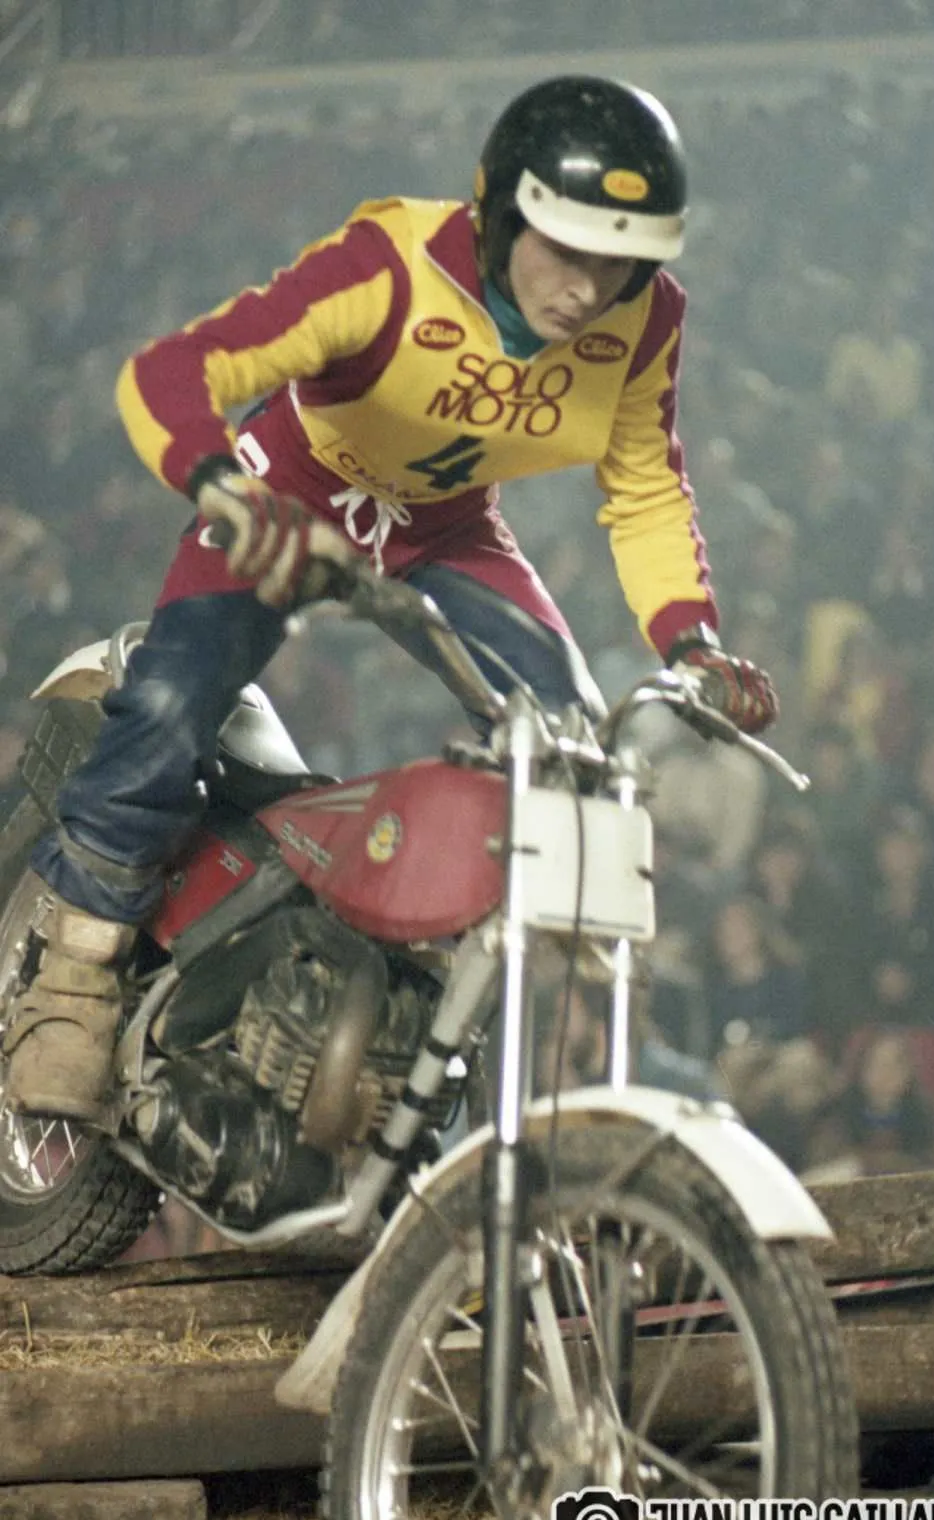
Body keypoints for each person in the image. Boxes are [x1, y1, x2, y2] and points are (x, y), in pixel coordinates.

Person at [4, 75, 778, 1119]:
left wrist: (693, 645)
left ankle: (422, 1017)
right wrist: (225, 490)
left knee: (571, 757)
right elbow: (173, 372)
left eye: (621, 262)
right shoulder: (388, 265)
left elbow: (645, 487)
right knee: (173, 703)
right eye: (566, 251)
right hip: (287, 494)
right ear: (500, 214)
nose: (587, 291)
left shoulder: (647, 324)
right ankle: (73, 976)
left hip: (445, 526)